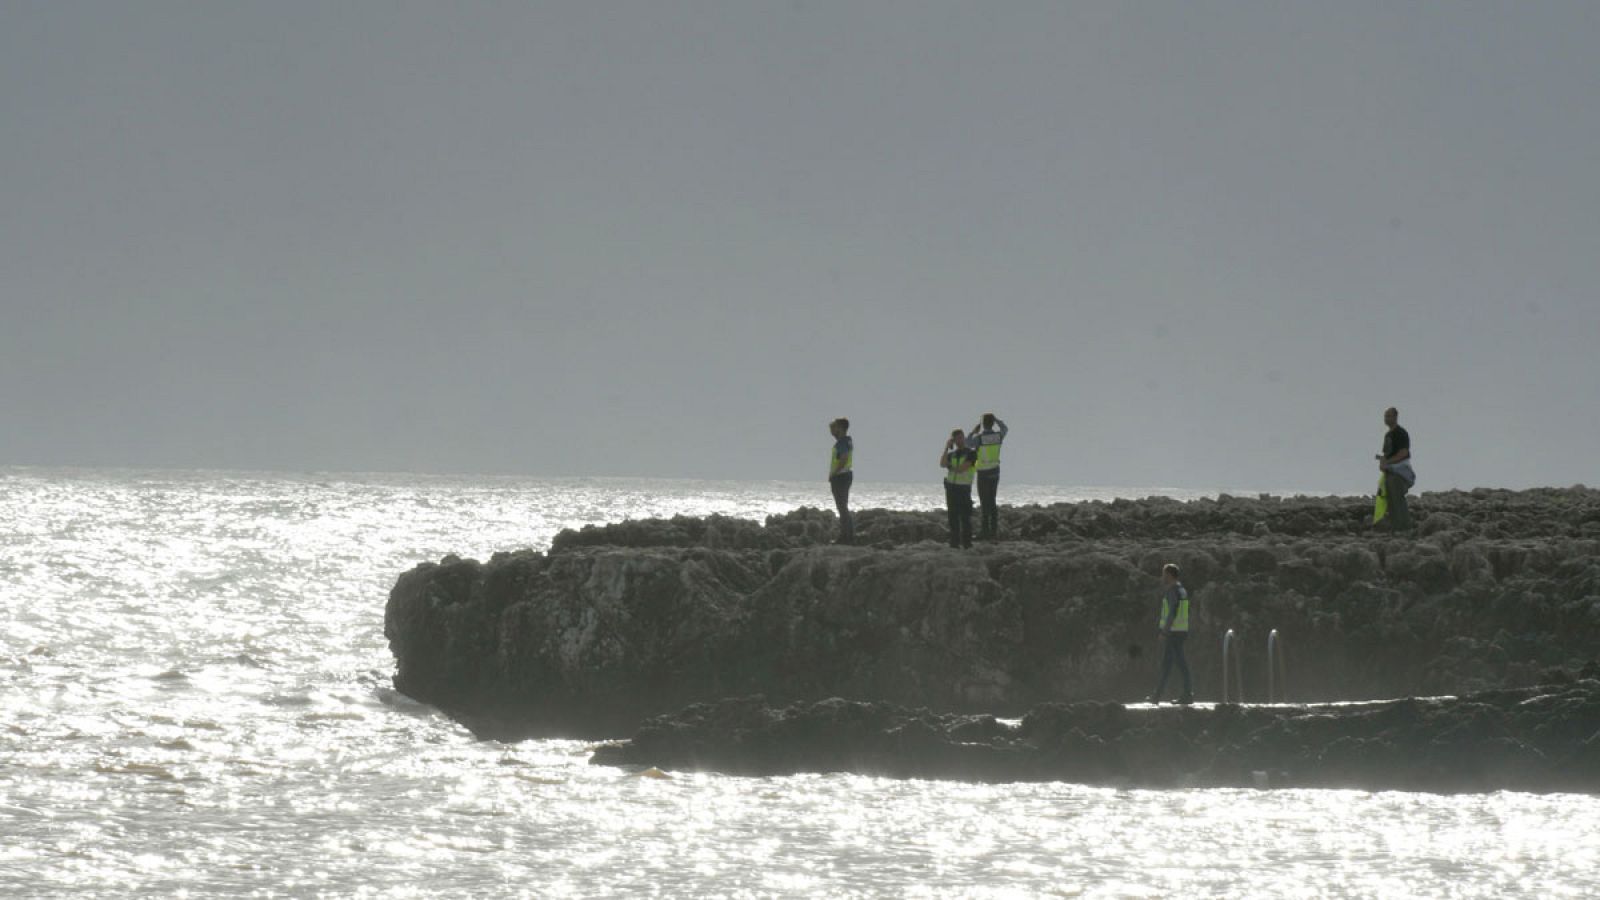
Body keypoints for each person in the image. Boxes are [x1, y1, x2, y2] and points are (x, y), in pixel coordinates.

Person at [1148, 563, 1194, 705]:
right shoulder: (1182, 590)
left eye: (1163, 574)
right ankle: (1157, 696)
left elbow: (1172, 611)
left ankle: (1187, 694)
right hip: (1180, 631)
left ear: (1169, 575)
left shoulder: (1172, 591)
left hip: (1174, 632)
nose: (1162, 577)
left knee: (1181, 664)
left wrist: (1164, 631)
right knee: (1167, 664)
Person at [967, 413, 1008, 539]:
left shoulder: (980, 438)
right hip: (995, 471)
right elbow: (1005, 429)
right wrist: (997, 420)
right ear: (992, 423)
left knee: (984, 502)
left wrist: (973, 431)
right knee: (992, 501)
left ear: (983, 424)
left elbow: (968, 443)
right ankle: (993, 531)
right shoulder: (998, 436)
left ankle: (985, 531)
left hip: (983, 472)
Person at [1375, 406, 1415, 532]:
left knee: (1398, 499)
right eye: (1385, 416)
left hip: (1398, 473)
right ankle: (1396, 527)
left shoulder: (1401, 433)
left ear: (1395, 417)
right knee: (1390, 500)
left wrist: (1387, 462)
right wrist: (1382, 461)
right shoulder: (1388, 435)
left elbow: (1403, 453)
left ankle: (1405, 527)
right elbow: (1387, 454)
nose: (1386, 418)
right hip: (1389, 473)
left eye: (1389, 416)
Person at [940, 429, 977, 549]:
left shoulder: (971, 453)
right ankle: (954, 543)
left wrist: (950, 467)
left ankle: (967, 543)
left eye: (962, 437)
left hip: (963, 488)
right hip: (951, 488)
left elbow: (962, 468)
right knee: (953, 517)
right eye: (957, 438)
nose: (960, 440)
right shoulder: (952, 454)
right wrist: (946, 447)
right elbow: (942, 463)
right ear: (954, 440)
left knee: (965, 517)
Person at [828, 417, 854, 544]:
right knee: (843, 507)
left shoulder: (843, 442)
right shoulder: (845, 442)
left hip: (841, 477)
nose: (832, 430)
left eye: (834, 427)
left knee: (842, 507)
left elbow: (843, 459)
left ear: (841, 428)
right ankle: (848, 535)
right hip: (844, 476)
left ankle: (845, 537)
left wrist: (834, 473)